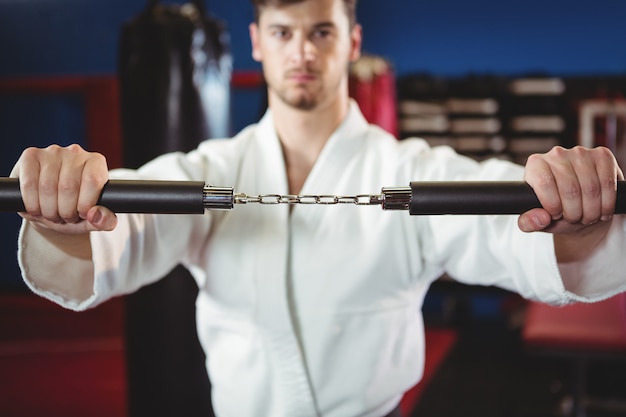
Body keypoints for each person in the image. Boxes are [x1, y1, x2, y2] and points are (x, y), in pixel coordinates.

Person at [10, 0, 626, 416]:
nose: (301, 51)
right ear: (257, 41)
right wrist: (60, 213)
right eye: (282, 32)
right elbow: (124, 233)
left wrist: (571, 211)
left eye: (322, 31)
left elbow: (506, 229)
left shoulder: (411, 172)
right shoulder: (210, 172)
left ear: (352, 41)